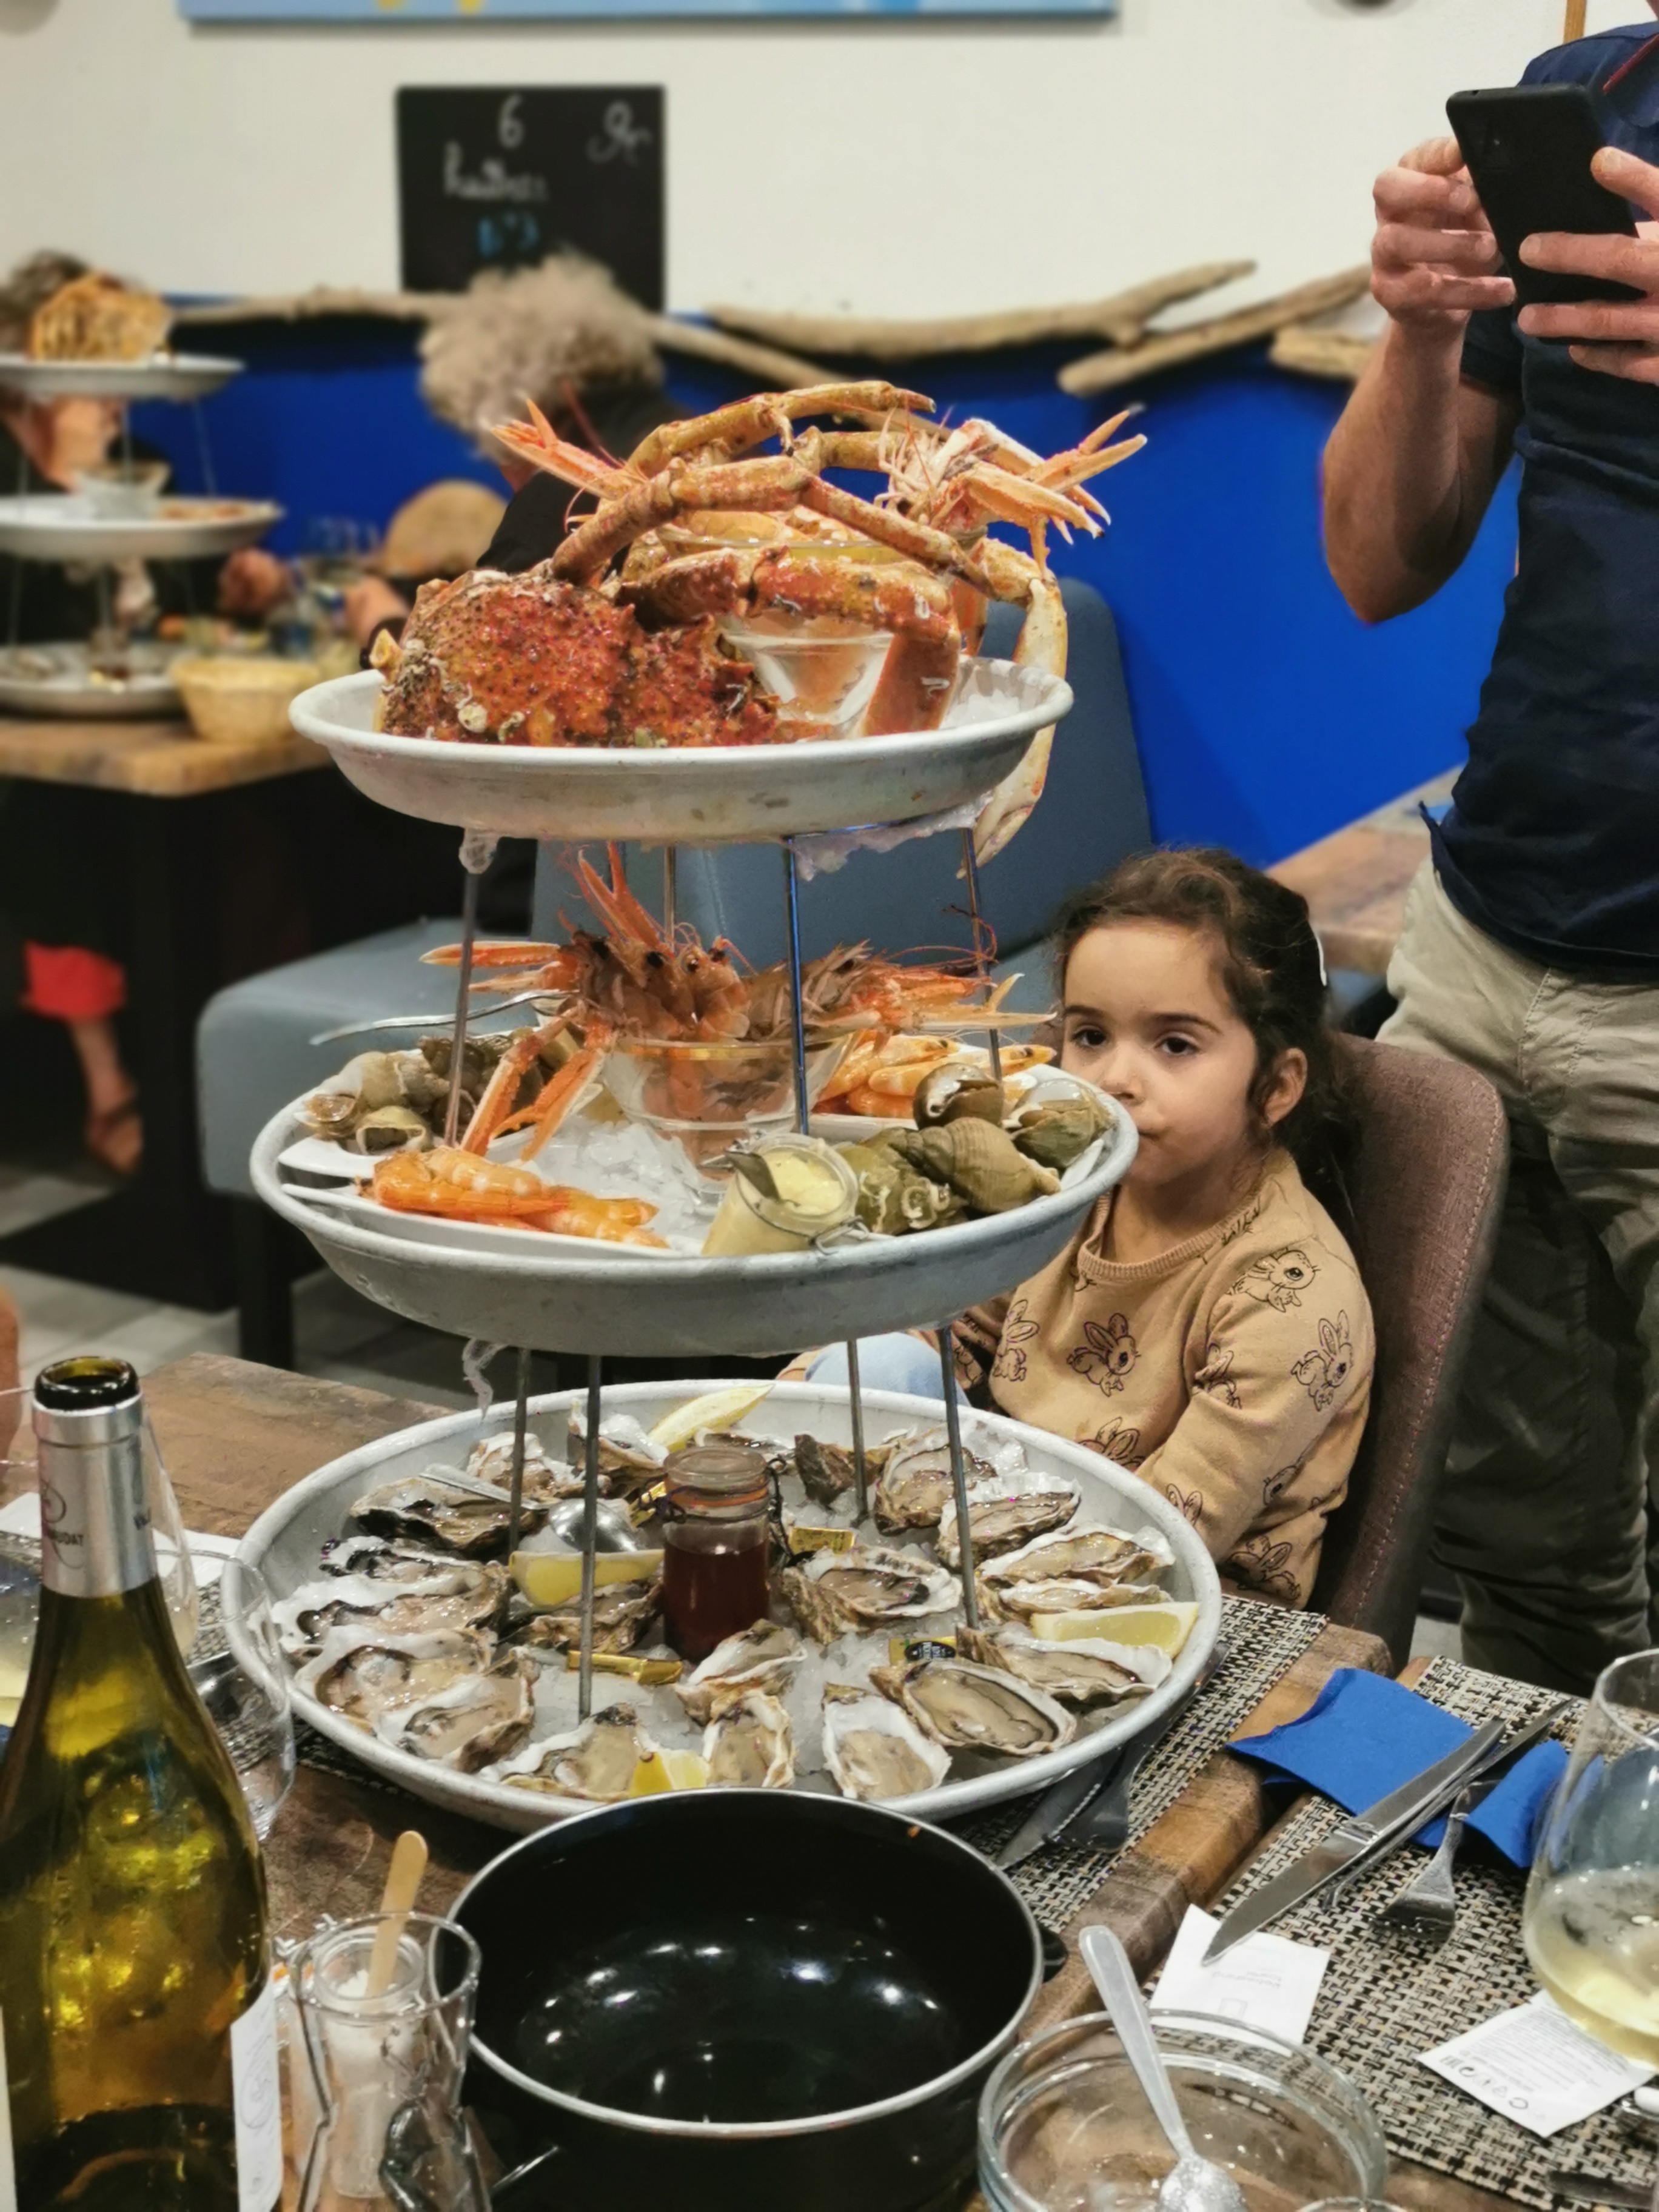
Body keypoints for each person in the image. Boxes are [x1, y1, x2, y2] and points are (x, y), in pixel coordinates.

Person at [1322, 13, 1659, 1692]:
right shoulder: (1587, 97)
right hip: (1479, 952)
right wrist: (1417, 331)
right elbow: (1378, 564)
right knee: (1514, 1556)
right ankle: (1553, 1847)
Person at [799, 851, 1375, 1606]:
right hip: (1007, 1512)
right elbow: (953, 1331)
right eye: (1092, 1036)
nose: (1114, 1081)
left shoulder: (1291, 1297)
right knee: (868, 1362)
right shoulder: (1074, 1187)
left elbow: (1163, 1539)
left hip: (1173, 1594)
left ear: (1276, 1087)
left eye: (1175, 1045)